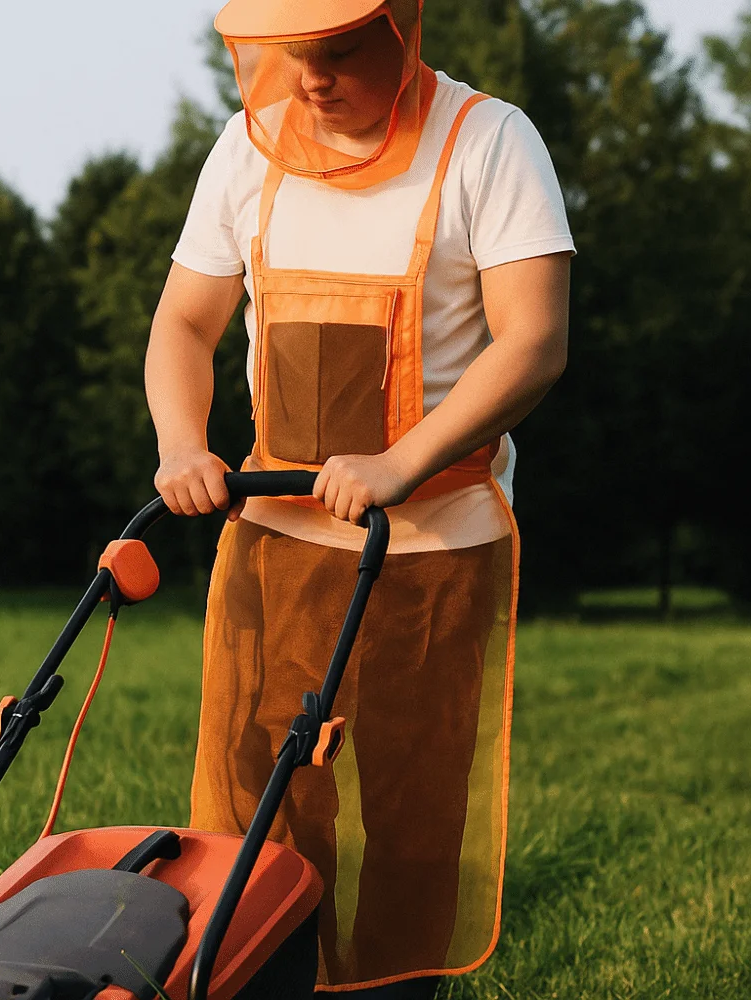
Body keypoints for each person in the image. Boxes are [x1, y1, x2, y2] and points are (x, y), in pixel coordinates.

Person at [145, 0, 574, 996]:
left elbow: (533, 340)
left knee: (413, 820)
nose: (308, 79)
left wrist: (402, 462)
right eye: (291, 56)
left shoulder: (488, 143)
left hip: (432, 553)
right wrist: (181, 445)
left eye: (337, 52)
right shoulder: (246, 152)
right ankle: (262, 978)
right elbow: (182, 324)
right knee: (262, 809)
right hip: (275, 546)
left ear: (401, 29)